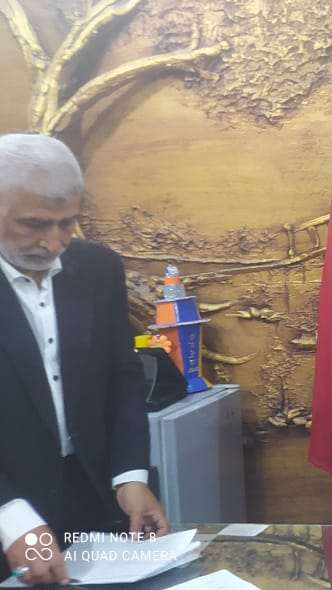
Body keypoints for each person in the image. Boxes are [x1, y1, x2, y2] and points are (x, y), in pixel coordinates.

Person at [0, 134, 170, 586]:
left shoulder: (98, 269)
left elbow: (122, 377)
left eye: (67, 223)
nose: (54, 242)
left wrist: (130, 476)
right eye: (35, 224)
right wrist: (11, 516)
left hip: (89, 498)